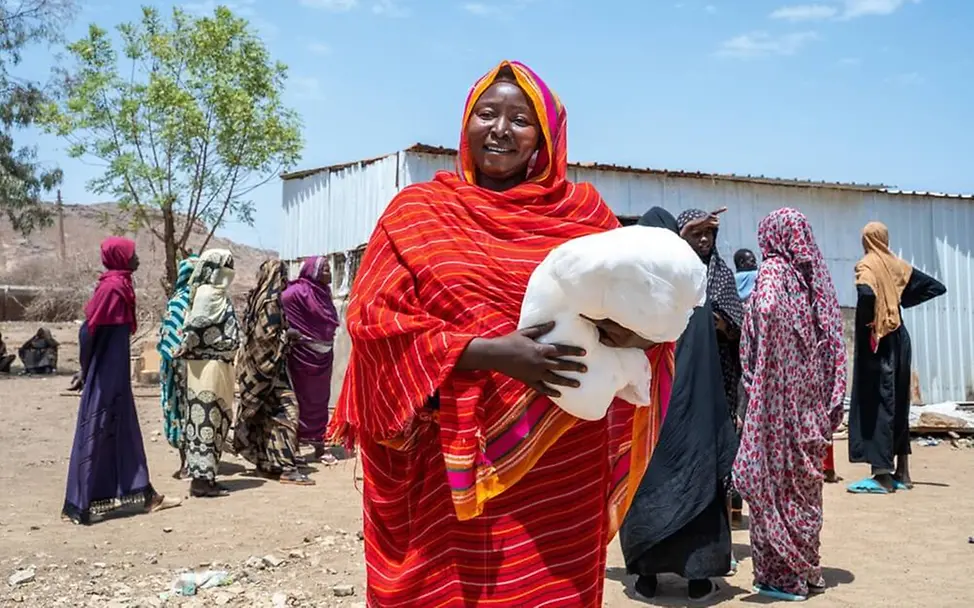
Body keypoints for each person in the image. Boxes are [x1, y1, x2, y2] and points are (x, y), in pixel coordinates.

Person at [328, 60, 675, 606]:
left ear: (546, 136)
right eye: (486, 114)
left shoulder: (586, 216)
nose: (500, 129)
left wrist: (629, 334)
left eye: (520, 119)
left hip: (561, 456)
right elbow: (374, 324)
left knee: (547, 588)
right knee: (443, 587)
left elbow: (650, 315)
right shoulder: (417, 213)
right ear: (465, 124)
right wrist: (490, 353)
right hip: (445, 458)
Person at [620, 207, 739, 602]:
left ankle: (646, 574)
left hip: (646, 414)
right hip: (696, 413)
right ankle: (698, 576)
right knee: (698, 482)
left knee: (644, 484)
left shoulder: (629, 297)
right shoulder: (693, 296)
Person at [733, 208, 847, 601]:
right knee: (804, 489)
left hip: (775, 406)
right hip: (809, 407)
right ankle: (807, 567)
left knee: (774, 485)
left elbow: (764, 312)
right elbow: (833, 341)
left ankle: (781, 578)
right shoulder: (812, 278)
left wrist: (764, 366)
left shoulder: (774, 273)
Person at [62, 237, 180, 524]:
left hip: (113, 372)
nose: (137, 258)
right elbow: (87, 332)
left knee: (121, 429)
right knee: (100, 426)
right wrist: (85, 369)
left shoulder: (120, 286)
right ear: (120, 257)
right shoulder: (113, 288)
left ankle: (142, 494)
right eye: (132, 254)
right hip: (105, 372)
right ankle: (80, 504)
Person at [847, 221, 945, 494]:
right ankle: (903, 471)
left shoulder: (866, 265)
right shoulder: (897, 265)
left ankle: (882, 475)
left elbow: (866, 293)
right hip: (900, 337)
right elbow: (934, 287)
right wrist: (896, 301)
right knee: (899, 400)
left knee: (878, 402)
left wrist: (873, 321)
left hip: (878, 341)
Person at [677, 209, 746, 529]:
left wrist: (719, 325)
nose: (704, 239)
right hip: (680, 374)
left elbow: (738, 325)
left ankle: (721, 520)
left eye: (710, 234)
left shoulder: (722, 274)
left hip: (718, 374)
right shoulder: (672, 274)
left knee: (717, 444)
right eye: (696, 233)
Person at [234, 260, 313, 485]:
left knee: (264, 416)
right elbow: (265, 338)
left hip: (256, 369)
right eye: (283, 274)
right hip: (267, 369)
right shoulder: (270, 303)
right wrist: (287, 337)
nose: (286, 278)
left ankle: (266, 463)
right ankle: (287, 469)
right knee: (288, 413)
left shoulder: (255, 298)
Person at [179, 249, 240, 498]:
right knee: (205, 418)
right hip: (207, 366)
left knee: (216, 420)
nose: (230, 273)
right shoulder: (206, 295)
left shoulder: (218, 294)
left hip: (220, 365)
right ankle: (201, 481)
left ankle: (208, 476)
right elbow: (194, 329)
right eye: (226, 267)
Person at [280, 255, 340, 463]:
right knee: (299, 399)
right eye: (324, 269)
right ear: (312, 271)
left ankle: (319, 445)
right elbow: (283, 309)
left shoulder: (324, 293)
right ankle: (294, 445)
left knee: (320, 400)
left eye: (328, 269)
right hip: (302, 356)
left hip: (324, 356)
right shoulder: (295, 293)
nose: (329, 273)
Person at [157, 257, 197, 479]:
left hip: (179, 372)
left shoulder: (178, 301)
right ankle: (194, 463)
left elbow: (167, 343)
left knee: (181, 413)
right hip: (196, 369)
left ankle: (187, 464)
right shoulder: (199, 301)